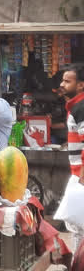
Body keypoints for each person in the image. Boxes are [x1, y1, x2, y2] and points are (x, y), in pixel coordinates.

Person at [59, 66, 84, 256]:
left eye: (68, 81)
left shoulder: (81, 107)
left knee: (76, 224)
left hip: (80, 175)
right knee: (75, 224)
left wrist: (82, 178)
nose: (62, 84)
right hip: (78, 173)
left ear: (81, 85)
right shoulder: (76, 107)